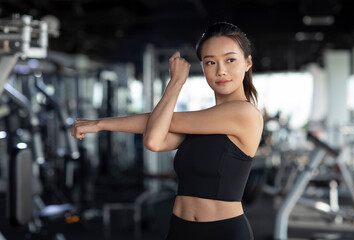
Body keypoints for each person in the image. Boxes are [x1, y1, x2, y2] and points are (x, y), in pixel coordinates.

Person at [72, 22, 263, 240]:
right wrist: (98, 124)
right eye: (210, 62)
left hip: (223, 232)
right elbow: (158, 135)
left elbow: (154, 135)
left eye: (230, 60)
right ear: (202, 66)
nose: (221, 70)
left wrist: (176, 82)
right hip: (180, 229)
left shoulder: (245, 113)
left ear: (247, 63)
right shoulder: (204, 120)